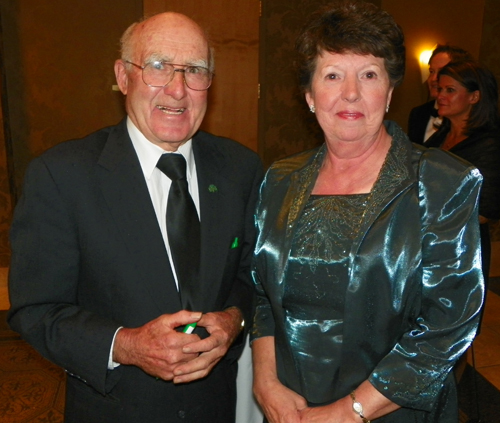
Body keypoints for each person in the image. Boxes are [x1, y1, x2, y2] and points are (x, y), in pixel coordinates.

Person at [7, 12, 263, 423]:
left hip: (215, 408)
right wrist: (125, 345)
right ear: (123, 76)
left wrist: (233, 319)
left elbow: (253, 276)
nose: (178, 90)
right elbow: (35, 309)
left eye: (194, 70)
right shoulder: (62, 176)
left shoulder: (241, 169)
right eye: (158, 66)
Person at [250, 2, 484, 423]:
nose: (351, 93)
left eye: (369, 74)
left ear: (390, 92)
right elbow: (263, 298)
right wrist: (266, 384)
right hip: (290, 409)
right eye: (333, 75)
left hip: (391, 410)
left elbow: (447, 325)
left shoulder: (443, 181)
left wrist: (350, 411)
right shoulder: (279, 181)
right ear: (309, 94)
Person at [426, 60, 500, 293]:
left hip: (462, 252)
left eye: (450, 90)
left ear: (474, 97)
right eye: (440, 89)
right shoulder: (440, 138)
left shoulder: (490, 145)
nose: (440, 95)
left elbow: (485, 211)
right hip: (431, 246)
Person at [407, 44, 473, 144]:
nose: (433, 79)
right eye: (431, 71)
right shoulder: (418, 113)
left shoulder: (471, 121)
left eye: (442, 72)